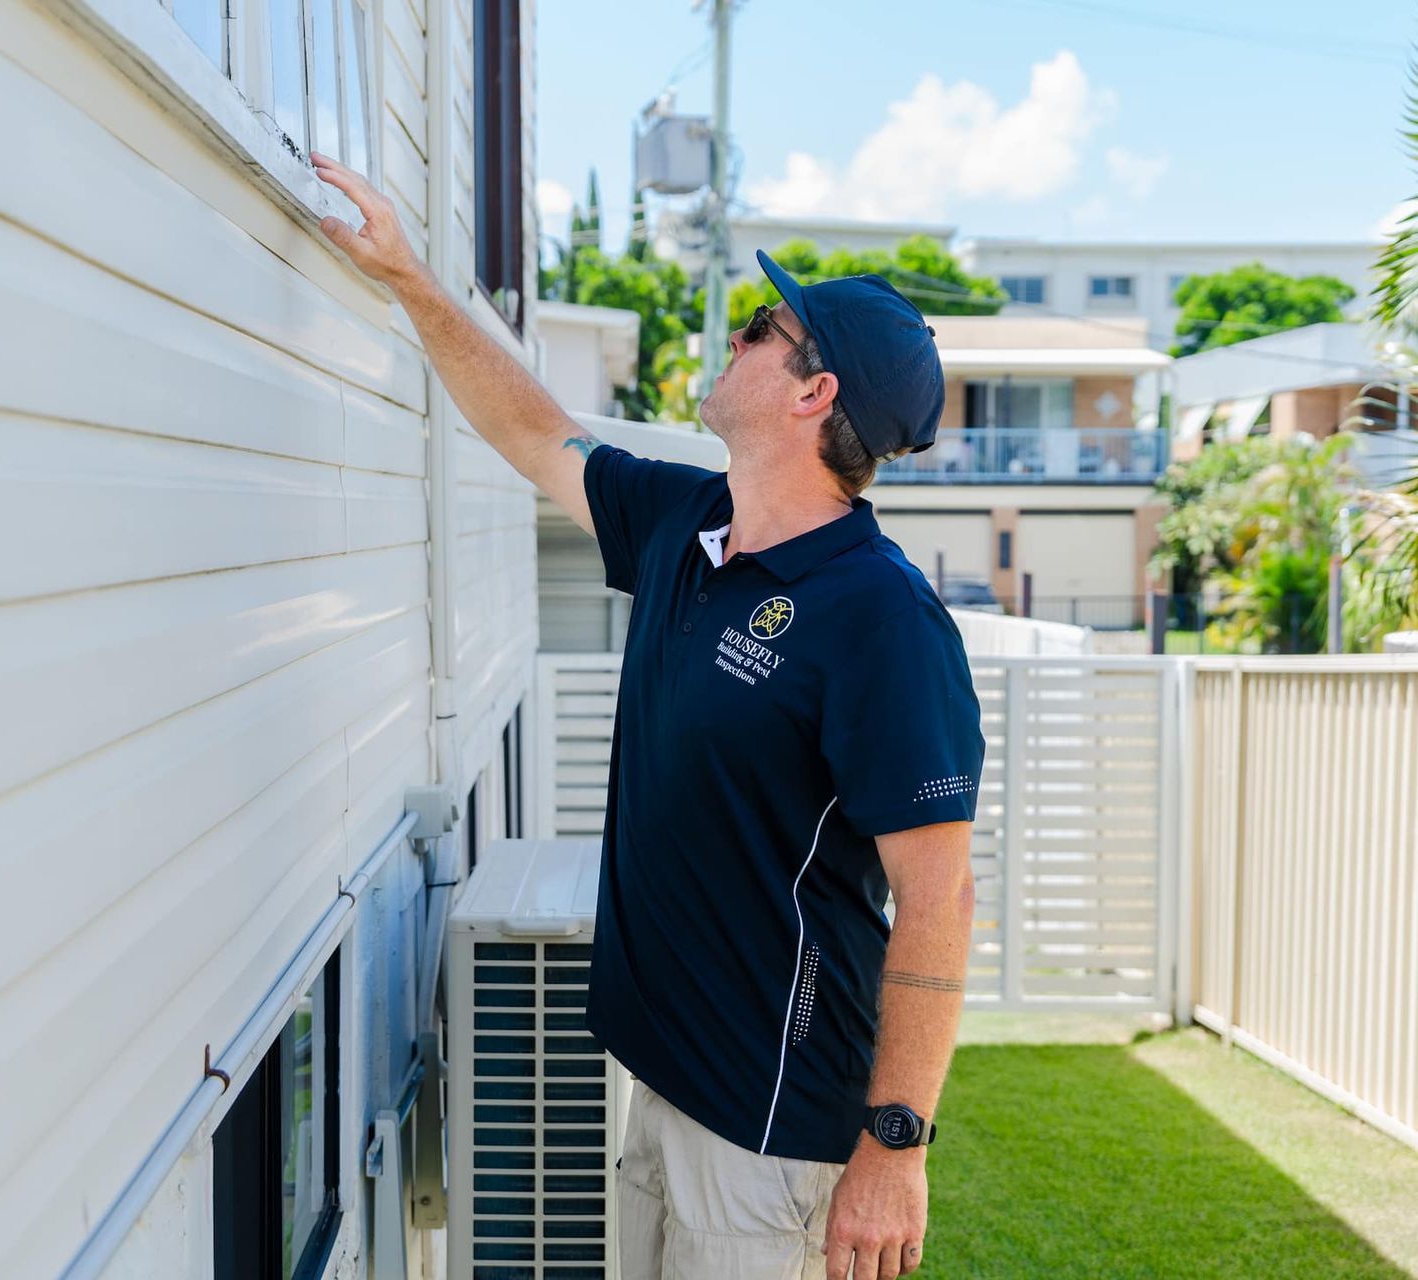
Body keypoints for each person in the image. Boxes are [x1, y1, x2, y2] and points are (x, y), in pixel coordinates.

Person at [312, 153, 982, 1280]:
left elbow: (940, 893)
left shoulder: (883, 618)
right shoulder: (689, 522)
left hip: (772, 1134)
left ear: (816, 393)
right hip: (667, 1083)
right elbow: (539, 434)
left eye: (766, 326)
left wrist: (895, 1144)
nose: (741, 334)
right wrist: (411, 283)